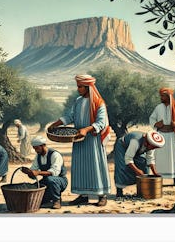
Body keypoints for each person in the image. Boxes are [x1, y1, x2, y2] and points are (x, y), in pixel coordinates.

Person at [48, 74, 111, 207]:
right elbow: (70, 116)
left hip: (93, 141)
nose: (78, 89)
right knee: (81, 168)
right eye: (78, 86)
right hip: (78, 140)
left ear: (88, 87)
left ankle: (102, 195)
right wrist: (56, 123)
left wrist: (86, 130)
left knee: (95, 167)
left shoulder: (99, 103)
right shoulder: (78, 101)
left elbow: (101, 123)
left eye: (81, 87)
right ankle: (83, 196)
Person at [149, 87, 175, 187]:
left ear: (169, 96)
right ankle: (159, 179)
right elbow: (151, 119)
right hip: (161, 136)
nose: (161, 97)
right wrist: (157, 124)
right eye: (161, 95)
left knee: (174, 157)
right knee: (160, 158)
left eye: (163, 96)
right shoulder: (158, 108)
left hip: (172, 136)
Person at [114, 130, 165, 198]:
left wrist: (155, 172)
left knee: (143, 164)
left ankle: (143, 190)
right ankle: (119, 192)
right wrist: (137, 171)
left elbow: (149, 158)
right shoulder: (135, 141)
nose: (153, 149)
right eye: (152, 147)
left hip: (137, 150)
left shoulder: (151, 144)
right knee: (122, 167)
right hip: (122, 147)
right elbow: (128, 159)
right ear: (147, 143)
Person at [22, 136, 68, 209]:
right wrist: (29, 173)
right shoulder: (38, 156)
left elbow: (55, 172)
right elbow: (34, 170)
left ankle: (57, 200)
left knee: (50, 179)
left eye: (37, 148)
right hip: (46, 181)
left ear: (43, 145)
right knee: (34, 188)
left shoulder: (55, 155)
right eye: (34, 148)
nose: (35, 150)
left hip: (60, 181)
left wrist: (38, 173)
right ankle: (47, 199)